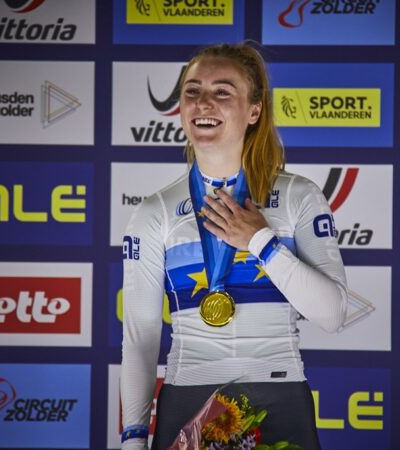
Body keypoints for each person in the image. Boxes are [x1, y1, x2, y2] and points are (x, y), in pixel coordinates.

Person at [120, 43, 347, 449]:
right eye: (192, 91)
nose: (203, 102)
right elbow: (140, 339)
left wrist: (260, 240)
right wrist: (133, 440)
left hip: (280, 396)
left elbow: (332, 314)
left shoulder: (299, 196)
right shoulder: (155, 211)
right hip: (187, 395)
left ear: (254, 110)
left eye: (222, 91)